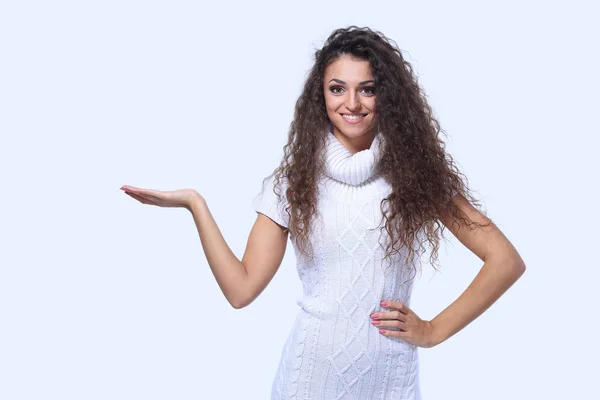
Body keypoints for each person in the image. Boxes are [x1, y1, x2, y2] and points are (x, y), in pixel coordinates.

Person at [120, 26, 526, 400]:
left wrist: (433, 330)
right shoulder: (293, 183)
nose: (352, 103)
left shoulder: (415, 176)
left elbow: (505, 261)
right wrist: (196, 204)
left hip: (391, 383)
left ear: (388, 96)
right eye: (338, 89)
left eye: (367, 89)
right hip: (309, 381)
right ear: (321, 96)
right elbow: (241, 290)